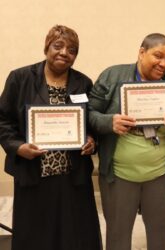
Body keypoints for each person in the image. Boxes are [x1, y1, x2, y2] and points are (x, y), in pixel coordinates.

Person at [88, 33, 165, 250]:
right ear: (141, 52)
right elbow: (89, 113)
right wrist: (109, 122)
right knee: (118, 237)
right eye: (158, 56)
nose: (164, 64)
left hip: (160, 175)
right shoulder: (112, 76)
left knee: (161, 238)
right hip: (119, 175)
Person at [0, 25, 101, 250]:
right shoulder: (20, 78)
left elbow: (92, 121)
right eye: (58, 46)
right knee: (36, 235)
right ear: (47, 47)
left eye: (72, 50)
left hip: (72, 174)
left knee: (75, 235)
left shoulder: (83, 83)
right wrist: (18, 147)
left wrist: (91, 140)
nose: (65, 53)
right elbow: (3, 120)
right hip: (34, 171)